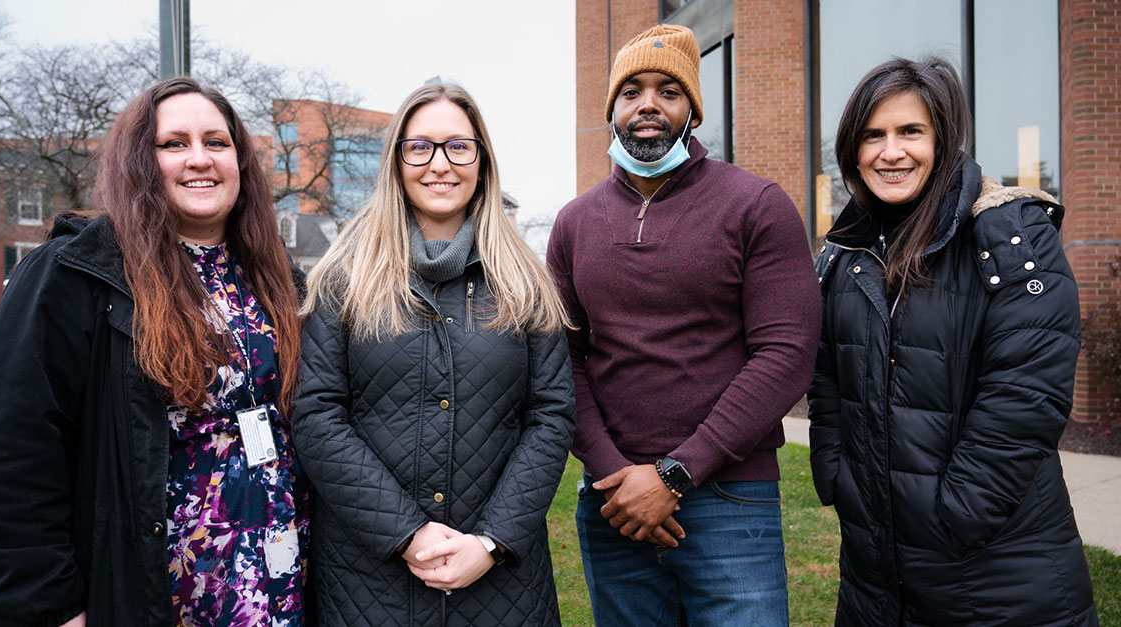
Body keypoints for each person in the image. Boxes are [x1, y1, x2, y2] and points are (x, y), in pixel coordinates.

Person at [0, 77, 309, 626]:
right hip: (156, 600)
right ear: (139, 160)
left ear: (240, 161)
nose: (199, 158)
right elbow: (3, 467)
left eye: (216, 142)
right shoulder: (76, 275)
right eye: (173, 143)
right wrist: (51, 610)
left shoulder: (279, 279)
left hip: (280, 589)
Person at [546, 24, 821, 626]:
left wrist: (677, 473)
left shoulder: (756, 204)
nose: (648, 104)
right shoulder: (573, 223)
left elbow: (787, 354)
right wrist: (612, 473)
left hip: (729, 495)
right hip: (612, 503)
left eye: (668, 91)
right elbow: (560, 361)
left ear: (693, 111)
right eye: (631, 92)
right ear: (612, 110)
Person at [809, 56, 1099, 625]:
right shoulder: (846, 252)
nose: (891, 152)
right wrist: (837, 474)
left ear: (942, 139)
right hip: (872, 575)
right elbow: (826, 380)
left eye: (910, 132)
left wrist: (957, 514)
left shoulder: (1010, 234)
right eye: (873, 135)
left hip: (994, 573)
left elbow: (1026, 395)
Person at [293, 82, 575, 626]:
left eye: (458, 146)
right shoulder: (343, 278)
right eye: (420, 147)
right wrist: (408, 533)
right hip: (368, 581)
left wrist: (491, 541)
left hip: (501, 584)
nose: (439, 164)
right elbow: (317, 414)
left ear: (482, 161)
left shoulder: (526, 283)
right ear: (396, 162)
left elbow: (551, 415)